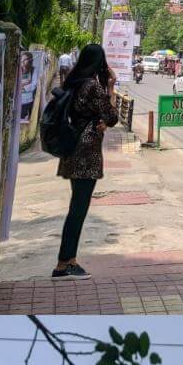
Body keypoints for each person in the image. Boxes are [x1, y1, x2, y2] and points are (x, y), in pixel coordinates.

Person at [51, 43, 121, 281]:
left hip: (72, 151)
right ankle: (64, 263)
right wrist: (111, 87)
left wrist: (101, 120)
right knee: (78, 210)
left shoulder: (74, 81)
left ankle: (68, 260)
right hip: (86, 154)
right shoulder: (92, 86)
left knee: (76, 208)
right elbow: (111, 116)